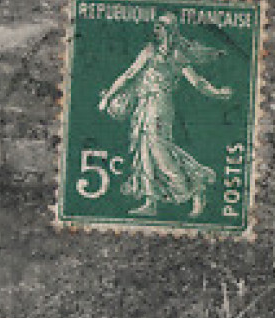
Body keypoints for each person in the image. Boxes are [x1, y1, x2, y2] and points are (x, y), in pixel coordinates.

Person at [99, 13, 234, 218]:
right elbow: (129, 74)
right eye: (156, 26)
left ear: (170, 30)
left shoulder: (178, 55)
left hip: (161, 106)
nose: (157, 29)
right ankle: (150, 200)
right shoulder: (148, 51)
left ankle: (195, 189)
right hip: (144, 105)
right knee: (144, 151)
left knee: (161, 152)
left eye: (161, 26)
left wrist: (217, 93)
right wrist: (108, 96)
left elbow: (197, 82)